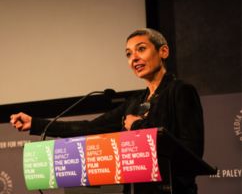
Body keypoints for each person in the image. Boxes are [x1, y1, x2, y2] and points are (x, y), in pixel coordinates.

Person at [10, 28, 204, 194]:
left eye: (141, 49)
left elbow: (191, 150)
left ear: (163, 51)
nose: (133, 58)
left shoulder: (180, 91)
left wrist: (137, 126)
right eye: (128, 54)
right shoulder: (134, 101)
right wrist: (35, 123)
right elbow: (91, 127)